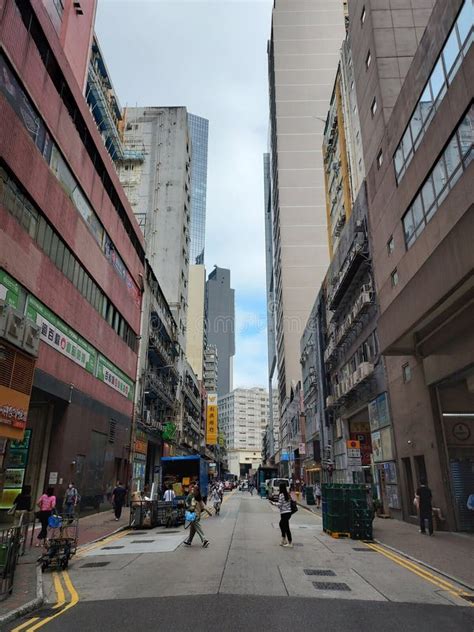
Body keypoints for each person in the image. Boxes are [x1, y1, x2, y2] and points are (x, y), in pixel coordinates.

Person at [275, 482, 293, 548]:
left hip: (284, 513)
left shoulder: (281, 495)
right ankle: (284, 540)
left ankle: (289, 542)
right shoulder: (287, 494)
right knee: (284, 525)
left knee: (283, 526)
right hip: (288, 513)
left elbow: (280, 505)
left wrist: (274, 503)